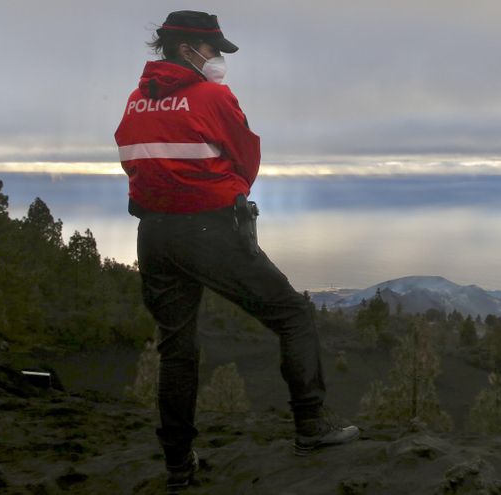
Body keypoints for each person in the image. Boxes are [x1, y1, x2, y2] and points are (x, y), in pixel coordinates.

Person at [114, 10, 359, 492]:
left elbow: (133, 162)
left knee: (176, 348)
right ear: (187, 50)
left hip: (154, 235)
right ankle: (311, 424)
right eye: (214, 51)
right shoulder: (213, 96)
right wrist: (224, 193)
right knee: (292, 315)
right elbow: (246, 157)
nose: (219, 60)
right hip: (209, 231)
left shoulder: (135, 100)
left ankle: (179, 464)